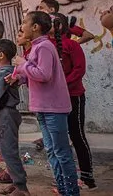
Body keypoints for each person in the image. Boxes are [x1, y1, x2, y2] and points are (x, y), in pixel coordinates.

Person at [10, 11, 79, 196]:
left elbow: (44, 74)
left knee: (62, 153)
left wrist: (23, 65)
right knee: (52, 152)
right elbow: (34, 74)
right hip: (42, 107)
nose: (21, 26)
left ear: (35, 27)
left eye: (24, 22)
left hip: (53, 108)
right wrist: (19, 78)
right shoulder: (35, 47)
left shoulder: (44, 47)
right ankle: (63, 189)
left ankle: (71, 192)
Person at [51, 13, 96, 190]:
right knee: (59, 138)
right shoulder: (45, 46)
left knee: (76, 134)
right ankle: (65, 176)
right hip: (54, 98)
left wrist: (62, 85)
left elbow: (78, 70)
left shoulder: (71, 45)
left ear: (59, 26)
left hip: (73, 95)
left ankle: (87, 177)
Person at [0, 39, 29, 196]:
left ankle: (21, 187)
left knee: (9, 150)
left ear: (1, 55)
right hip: (5, 113)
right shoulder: (7, 70)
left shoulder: (3, 72)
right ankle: (16, 183)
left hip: (6, 113)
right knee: (6, 149)